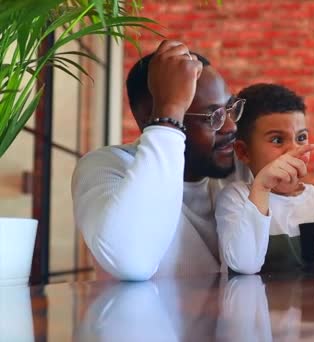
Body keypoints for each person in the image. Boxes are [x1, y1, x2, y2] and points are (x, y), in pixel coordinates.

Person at [71, 40, 251, 280]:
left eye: (230, 109)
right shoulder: (105, 168)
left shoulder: (239, 171)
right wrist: (169, 112)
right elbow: (131, 261)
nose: (230, 126)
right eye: (212, 116)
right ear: (152, 119)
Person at [215, 83, 314, 274]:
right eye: (277, 140)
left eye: (301, 138)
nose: (294, 150)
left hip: (306, 302)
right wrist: (262, 187)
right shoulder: (236, 198)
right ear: (244, 152)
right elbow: (245, 264)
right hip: (250, 303)